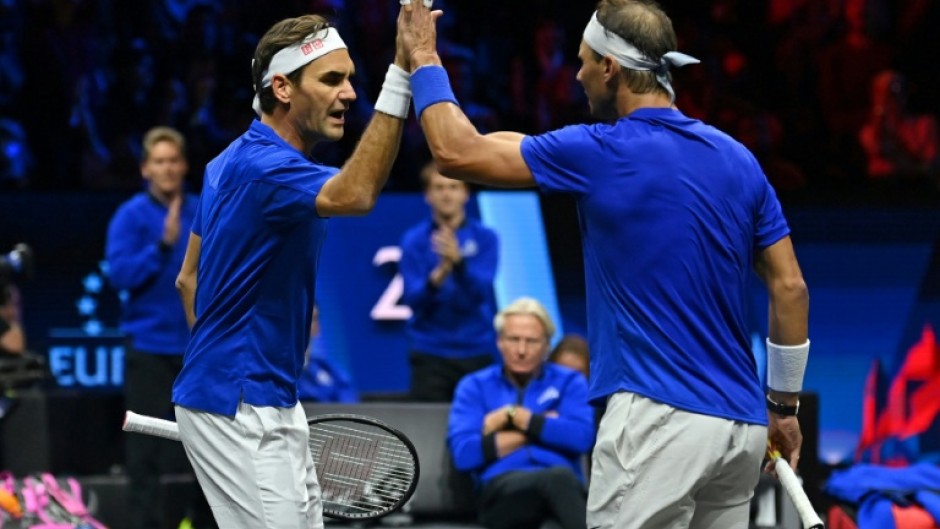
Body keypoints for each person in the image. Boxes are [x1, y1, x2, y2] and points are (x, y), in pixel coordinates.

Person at [399, 1, 811, 528]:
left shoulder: (600, 151)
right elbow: (791, 287)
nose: (577, 74)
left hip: (657, 421)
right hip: (740, 427)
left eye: (584, 61)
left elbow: (456, 153)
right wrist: (784, 407)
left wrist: (425, 56)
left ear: (611, 67)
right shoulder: (738, 159)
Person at [171, 9, 413, 528]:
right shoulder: (265, 169)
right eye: (331, 80)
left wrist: (216, 367)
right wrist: (403, 75)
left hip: (261, 394)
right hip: (242, 404)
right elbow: (358, 192)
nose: (349, 94)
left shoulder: (225, 163)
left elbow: (186, 279)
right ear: (282, 87)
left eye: (351, 78)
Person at [104, 126, 215, 529]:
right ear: (145, 169)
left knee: (212, 450)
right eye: (159, 162)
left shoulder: (203, 209)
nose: (167, 169)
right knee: (144, 454)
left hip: (198, 349)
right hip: (149, 349)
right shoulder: (130, 216)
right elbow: (119, 276)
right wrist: (162, 247)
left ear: (185, 166)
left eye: (174, 161)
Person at [448, 297, 594, 529]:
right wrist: (542, 425)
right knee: (557, 479)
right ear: (499, 342)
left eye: (532, 341)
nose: (522, 350)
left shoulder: (570, 381)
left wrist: (516, 418)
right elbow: (465, 454)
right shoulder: (474, 386)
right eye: (514, 339)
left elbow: (581, 438)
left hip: (563, 495)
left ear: (547, 346)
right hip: (503, 493)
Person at [399, 160, 499, 402]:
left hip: (476, 349)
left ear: (465, 194)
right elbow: (412, 300)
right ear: (427, 195)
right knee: (425, 432)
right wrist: (439, 274)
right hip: (430, 352)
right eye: (439, 187)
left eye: (453, 187)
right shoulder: (414, 240)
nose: (446, 194)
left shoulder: (486, 238)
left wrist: (460, 264)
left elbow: (482, 292)